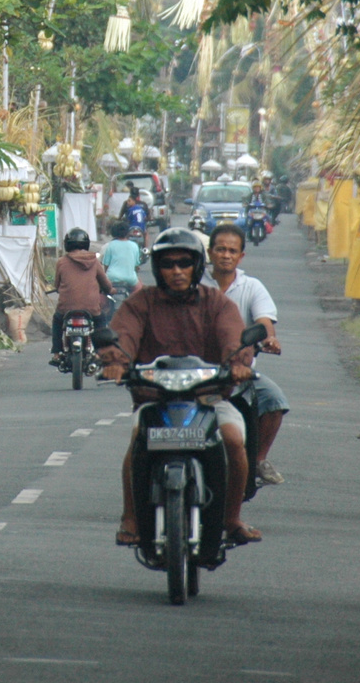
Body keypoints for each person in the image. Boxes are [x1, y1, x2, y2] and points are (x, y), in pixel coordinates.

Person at [99, 227, 262, 546]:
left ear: (197, 266)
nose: (176, 271)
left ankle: (232, 519)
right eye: (168, 264)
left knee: (232, 438)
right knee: (138, 441)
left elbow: (232, 334)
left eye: (184, 263)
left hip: (209, 397)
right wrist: (116, 360)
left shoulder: (216, 302)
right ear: (157, 268)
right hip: (154, 399)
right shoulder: (140, 302)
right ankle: (130, 518)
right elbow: (124, 334)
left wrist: (238, 362)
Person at [205, 223, 288, 488]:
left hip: (239, 372)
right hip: (196, 370)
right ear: (210, 253)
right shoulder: (196, 285)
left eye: (232, 250)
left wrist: (269, 339)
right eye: (220, 249)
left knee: (274, 399)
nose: (226, 255)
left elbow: (264, 322)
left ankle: (257, 460)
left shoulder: (252, 287)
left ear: (241, 256)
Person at [49, 227, 111, 366]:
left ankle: (57, 353)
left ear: (67, 244)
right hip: (91, 308)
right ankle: (101, 353)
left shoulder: (61, 262)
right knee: (101, 321)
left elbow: (57, 285)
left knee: (57, 321)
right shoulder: (95, 261)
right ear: (86, 243)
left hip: (66, 307)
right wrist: (109, 290)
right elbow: (104, 282)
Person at [99, 220, 142, 324]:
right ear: (128, 232)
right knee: (140, 292)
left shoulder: (110, 246)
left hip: (111, 278)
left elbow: (106, 265)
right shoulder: (134, 246)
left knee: (101, 295)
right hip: (130, 278)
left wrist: (105, 279)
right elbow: (136, 265)